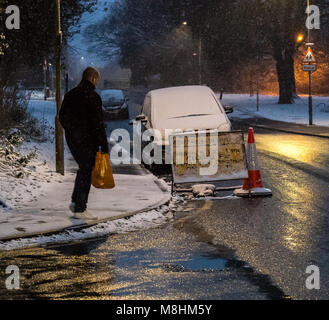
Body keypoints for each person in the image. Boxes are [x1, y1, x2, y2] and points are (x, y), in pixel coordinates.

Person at [59, 67, 109, 220]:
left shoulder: (70, 95)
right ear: (93, 78)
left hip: (74, 140)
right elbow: (98, 123)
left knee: (83, 169)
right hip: (88, 140)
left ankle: (76, 203)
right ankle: (80, 208)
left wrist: (72, 131)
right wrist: (104, 145)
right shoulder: (93, 97)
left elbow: (62, 117)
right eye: (97, 79)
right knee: (87, 170)